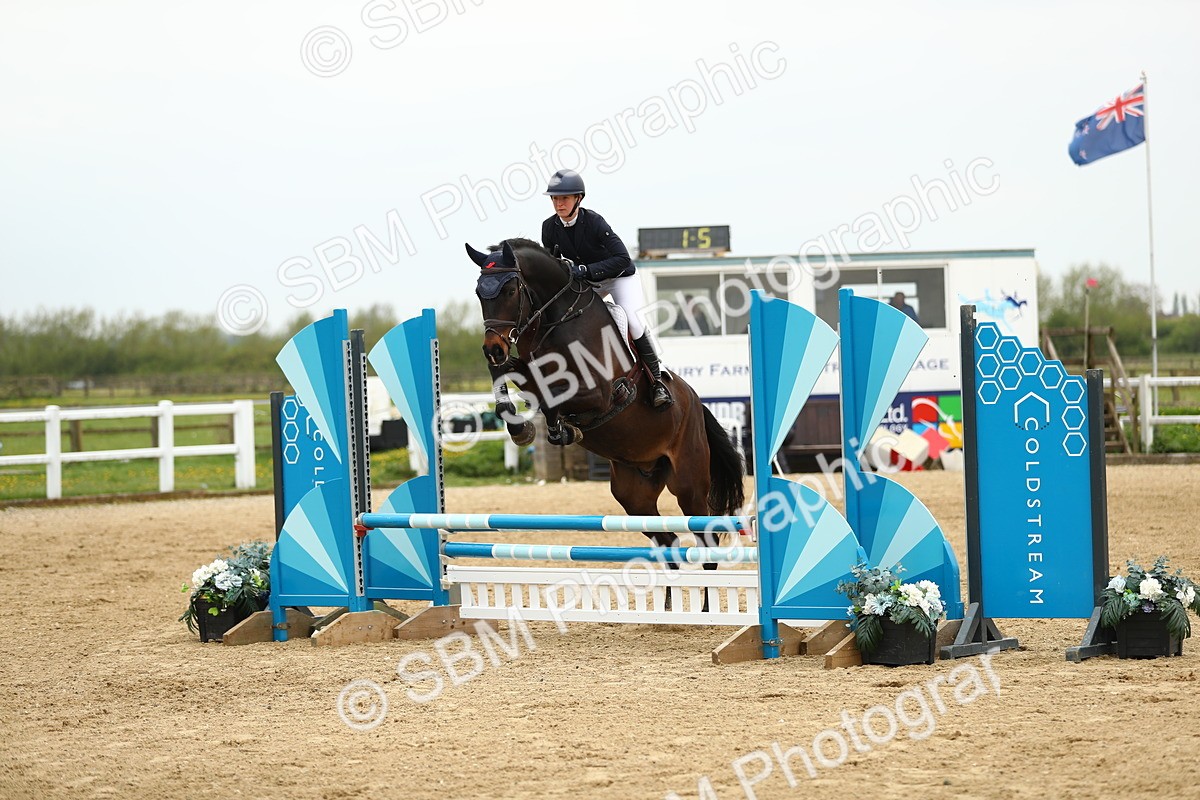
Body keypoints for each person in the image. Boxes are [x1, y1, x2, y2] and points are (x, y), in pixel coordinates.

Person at [540, 169, 672, 409]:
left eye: (565, 198)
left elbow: (622, 258)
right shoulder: (549, 228)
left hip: (619, 278)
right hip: (588, 283)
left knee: (632, 320)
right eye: (555, 199)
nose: (559, 203)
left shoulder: (595, 222)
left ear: (578, 198)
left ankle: (657, 382)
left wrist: (584, 271)